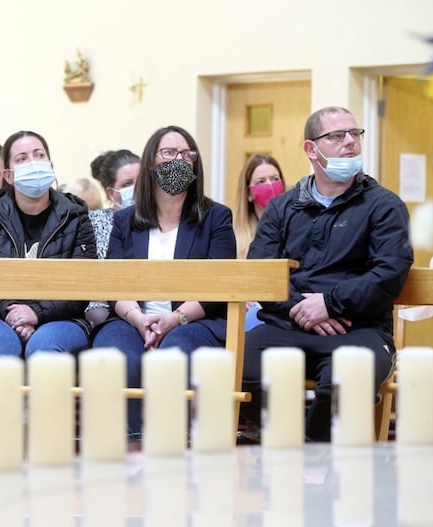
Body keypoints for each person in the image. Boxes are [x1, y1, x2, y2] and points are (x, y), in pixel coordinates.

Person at [242, 106, 414, 442]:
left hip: (360, 328)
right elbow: (261, 272)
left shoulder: (384, 206)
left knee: (347, 378)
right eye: (337, 136)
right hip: (287, 324)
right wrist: (300, 308)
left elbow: (389, 273)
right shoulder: (282, 208)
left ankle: (313, 457)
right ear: (311, 149)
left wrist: (331, 303)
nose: (350, 142)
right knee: (242, 367)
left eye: (355, 134)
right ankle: (285, 449)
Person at [90, 126, 236, 442]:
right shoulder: (125, 221)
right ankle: (130, 443)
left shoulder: (216, 218)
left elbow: (218, 286)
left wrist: (175, 318)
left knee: (175, 351)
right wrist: (139, 319)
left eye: (187, 154)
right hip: (133, 318)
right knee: (115, 354)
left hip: (196, 319)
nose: (179, 160)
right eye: (169, 153)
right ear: (151, 163)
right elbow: (115, 284)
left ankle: (172, 444)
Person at [0, 130, 97, 357]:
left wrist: (36, 312)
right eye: (22, 159)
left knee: (45, 346)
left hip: (62, 317)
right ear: (9, 175)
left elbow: (83, 283)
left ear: (51, 166)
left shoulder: (76, 216)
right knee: (2, 345)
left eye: (39, 155)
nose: (33, 163)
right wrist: (15, 315)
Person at [83, 149, 141, 327]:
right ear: (111, 193)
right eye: (128, 184)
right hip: (107, 308)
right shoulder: (93, 222)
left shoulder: (160, 221)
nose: (137, 189)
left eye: (141, 182)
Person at [232, 154, 286, 331]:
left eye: (275, 179)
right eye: (261, 181)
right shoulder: (235, 234)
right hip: (249, 312)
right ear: (249, 193)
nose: (270, 185)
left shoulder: (296, 227)